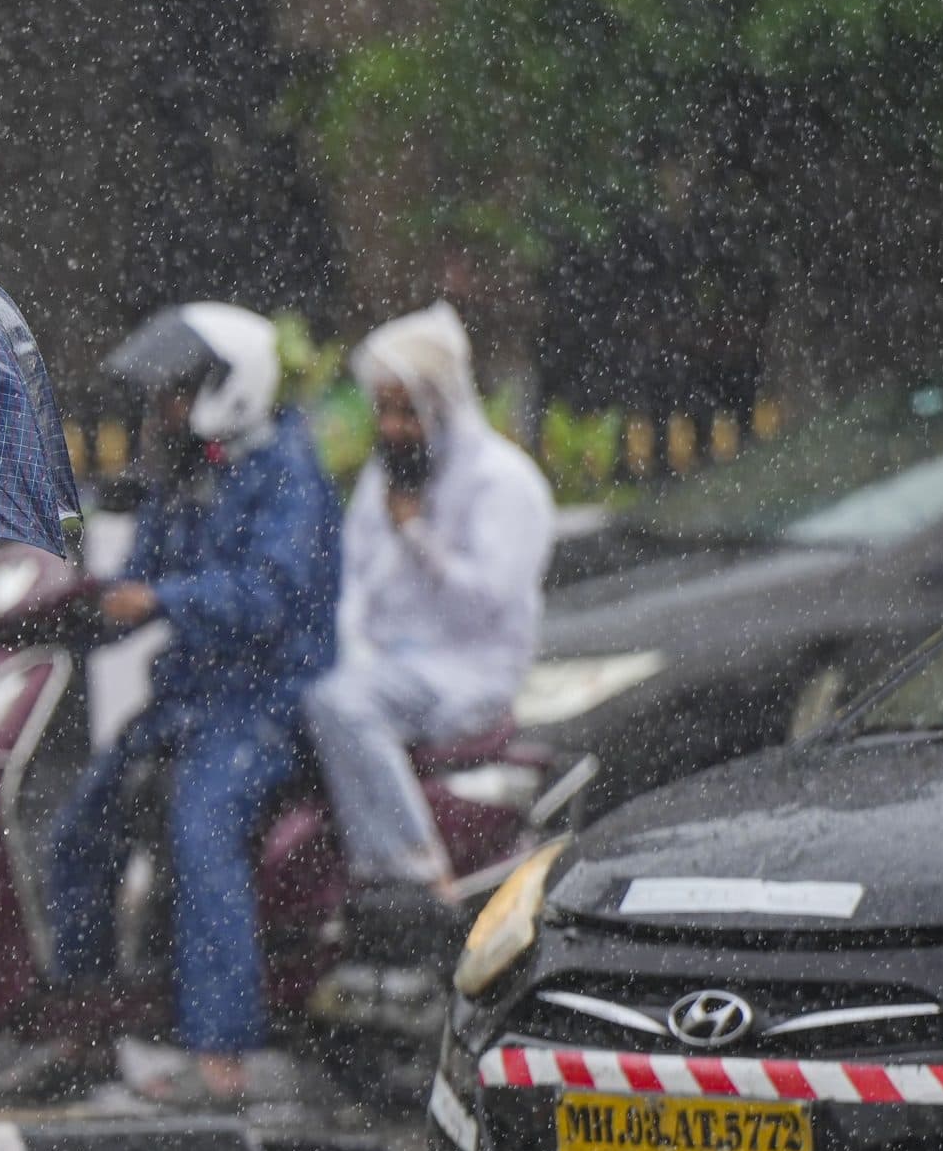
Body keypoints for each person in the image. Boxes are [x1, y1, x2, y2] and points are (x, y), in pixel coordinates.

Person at [33, 303, 343, 1108]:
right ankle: (88, 1032)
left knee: (202, 837)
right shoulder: (191, 473)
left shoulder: (287, 473)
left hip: (263, 709)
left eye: (175, 391)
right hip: (187, 704)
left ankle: (221, 1057)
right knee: (77, 837)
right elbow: (135, 581)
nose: (160, 409)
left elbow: (267, 595)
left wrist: (159, 598)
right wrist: (66, 610)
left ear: (227, 388)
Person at [306, 302, 553, 901]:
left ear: (442, 406)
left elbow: (487, 603)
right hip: (391, 665)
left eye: (406, 412)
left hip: (467, 671)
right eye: (383, 410)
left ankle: (410, 870)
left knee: (339, 701)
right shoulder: (383, 480)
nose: (392, 427)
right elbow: (355, 579)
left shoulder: (502, 482)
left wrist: (420, 539)